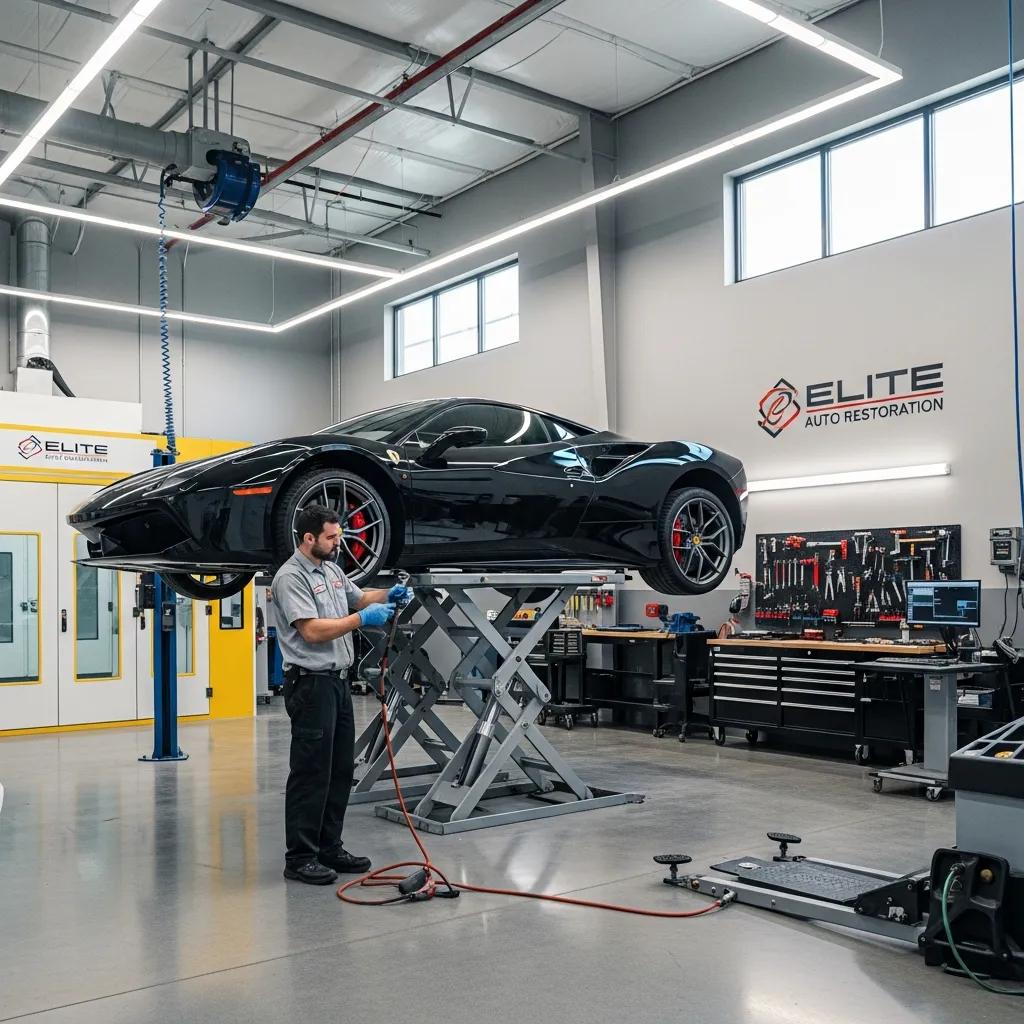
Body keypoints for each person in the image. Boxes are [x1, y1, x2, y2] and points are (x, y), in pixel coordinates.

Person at [272, 504, 413, 885]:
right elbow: (312, 632)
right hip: (310, 685)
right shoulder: (290, 578)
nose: (339, 543)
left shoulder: (332, 569)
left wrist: (388, 594)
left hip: (337, 683)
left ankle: (329, 847)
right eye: (332, 537)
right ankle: (300, 857)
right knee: (311, 772)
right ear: (309, 538)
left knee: (338, 771)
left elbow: (359, 597)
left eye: (339, 535)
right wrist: (360, 621)